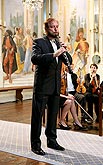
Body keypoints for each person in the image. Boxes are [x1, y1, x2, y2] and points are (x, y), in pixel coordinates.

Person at [31, 18, 72, 155]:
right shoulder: (39, 42)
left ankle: (52, 141)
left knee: (53, 115)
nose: (55, 29)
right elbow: (35, 58)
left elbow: (69, 62)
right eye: (52, 27)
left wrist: (64, 51)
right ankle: (35, 144)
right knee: (37, 116)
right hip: (42, 86)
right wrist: (54, 54)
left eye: (57, 26)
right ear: (46, 29)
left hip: (55, 86)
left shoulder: (58, 43)